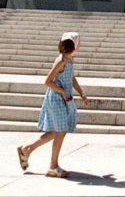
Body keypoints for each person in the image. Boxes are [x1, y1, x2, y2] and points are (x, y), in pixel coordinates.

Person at [16, 31, 89, 178]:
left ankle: (27, 150)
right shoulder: (61, 61)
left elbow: (71, 77)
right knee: (60, 131)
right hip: (56, 99)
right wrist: (62, 91)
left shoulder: (70, 60)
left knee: (57, 131)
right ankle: (53, 166)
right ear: (74, 45)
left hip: (65, 99)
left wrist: (81, 93)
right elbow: (47, 81)